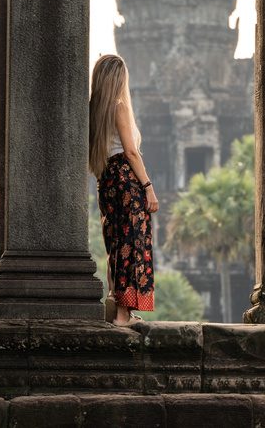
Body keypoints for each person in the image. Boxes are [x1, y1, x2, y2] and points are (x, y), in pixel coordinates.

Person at [89, 54, 159, 326]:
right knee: (133, 242)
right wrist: (148, 187)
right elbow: (130, 151)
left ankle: (118, 307)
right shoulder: (119, 107)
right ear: (119, 80)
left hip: (106, 180)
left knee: (115, 243)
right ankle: (122, 314)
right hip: (126, 180)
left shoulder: (93, 110)